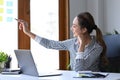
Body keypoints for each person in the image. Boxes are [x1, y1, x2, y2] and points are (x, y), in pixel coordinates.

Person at [16, 12, 108, 72]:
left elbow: (79, 69)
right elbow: (49, 44)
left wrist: (82, 45)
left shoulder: (97, 47)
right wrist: (27, 32)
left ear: (84, 29)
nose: (71, 28)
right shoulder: (72, 43)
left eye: (74, 26)